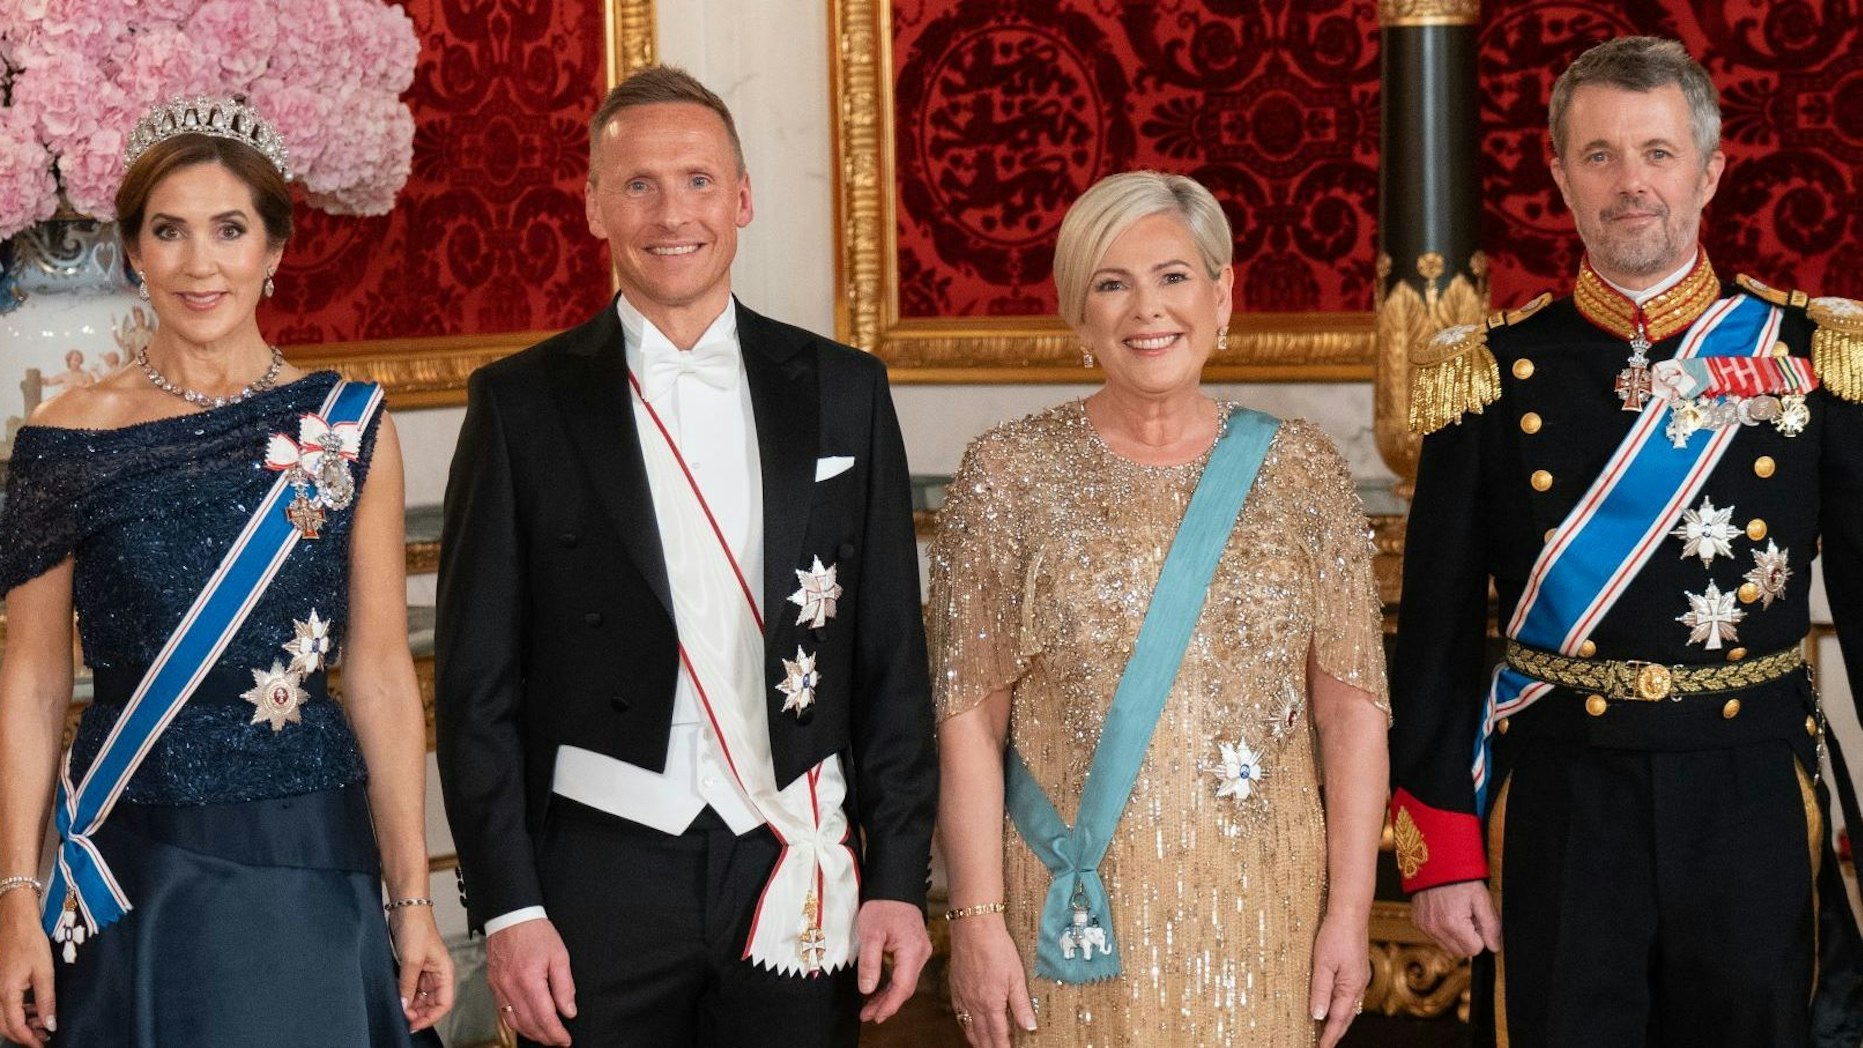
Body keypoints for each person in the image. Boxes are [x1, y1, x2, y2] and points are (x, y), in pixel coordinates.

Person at [434, 65, 937, 1048]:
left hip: (786, 850)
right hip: (598, 870)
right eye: (639, 184)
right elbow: (475, 684)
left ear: (743, 197)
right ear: (592, 205)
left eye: (699, 181)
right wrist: (506, 906)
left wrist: (898, 879)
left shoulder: (844, 389)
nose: (673, 212)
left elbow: (890, 658)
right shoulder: (520, 404)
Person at [1392, 35, 1863, 1047]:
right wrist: (1440, 850)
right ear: (1559, 175)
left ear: (1709, 169)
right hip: (1562, 794)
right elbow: (1431, 636)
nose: (1630, 182)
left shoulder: (1813, 358)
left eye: (1656, 152)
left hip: (1748, 789)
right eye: (1599, 155)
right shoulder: (1489, 375)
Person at [0, 97, 451, 1047]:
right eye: (169, 231)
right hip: (137, 856)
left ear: (275, 250)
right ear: (132, 249)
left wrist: (411, 897)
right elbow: (35, 681)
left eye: (229, 229)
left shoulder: (345, 426)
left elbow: (376, 672)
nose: (199, 264)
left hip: (307, 843)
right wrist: (14, 894)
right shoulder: (60, 441)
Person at [929, 170, 1390, 1048]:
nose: (1148, 309)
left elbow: (1352, 714)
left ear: (1222, 296)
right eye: (1112, 283)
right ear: (1077, 314)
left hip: (1266, 909)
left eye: (1173, 277)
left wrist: (1350, 911)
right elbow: (966, 721)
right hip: (1064, 911)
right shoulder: (1007, 475)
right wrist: (976, 918)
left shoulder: (1300, 471)